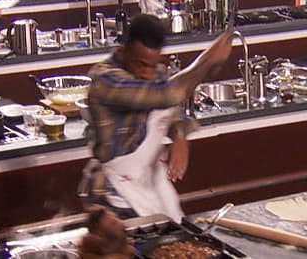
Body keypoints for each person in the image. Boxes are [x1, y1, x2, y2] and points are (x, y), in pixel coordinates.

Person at [80, 15, 236, 219]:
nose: (148, 73)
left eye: (153, 65)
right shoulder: (106, 81)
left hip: (148, 184)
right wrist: (207, 60)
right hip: (113, 197)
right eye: (141, 64)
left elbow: (172, 111)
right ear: (123, 50)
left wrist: (179, 135)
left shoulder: (156, 73)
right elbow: (168, 94)